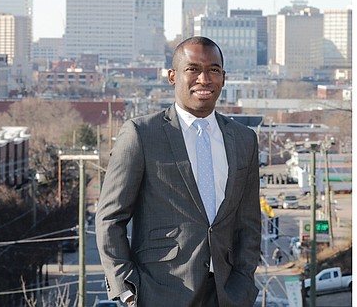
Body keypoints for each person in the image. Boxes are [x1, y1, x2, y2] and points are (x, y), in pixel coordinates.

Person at [95, 36, 261, 307]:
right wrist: (126, 289)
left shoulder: (244, 139)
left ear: (224, 77)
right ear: (173, 76)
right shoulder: (141, 135)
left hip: (227, 293)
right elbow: (109, 219)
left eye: (214, 70)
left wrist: (243, 282)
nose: (204, 79)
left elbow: (249, 223)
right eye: (193, 69)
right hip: (159, 292)